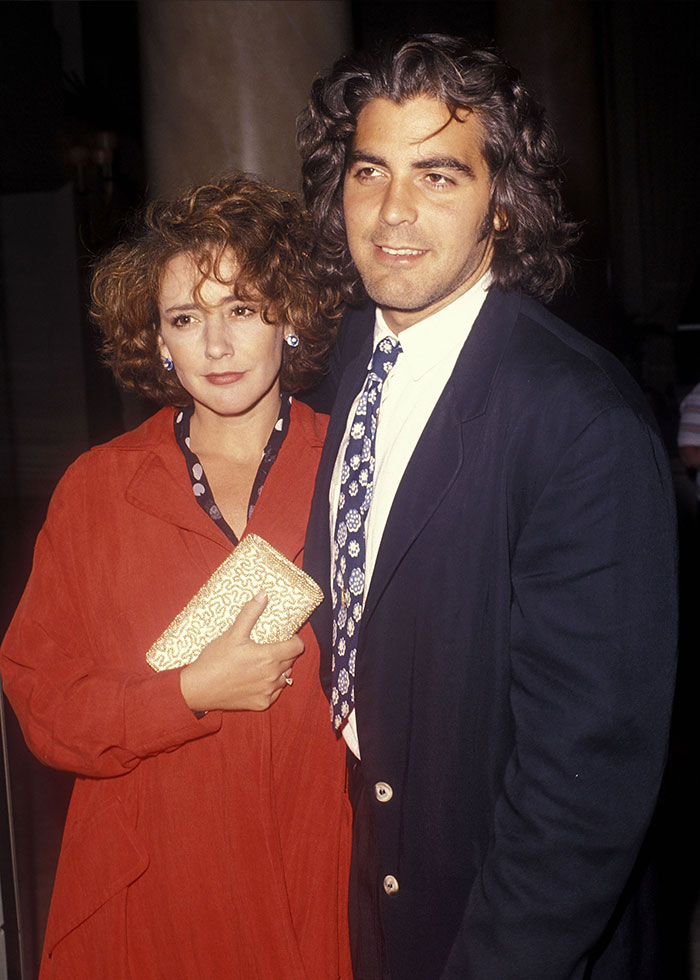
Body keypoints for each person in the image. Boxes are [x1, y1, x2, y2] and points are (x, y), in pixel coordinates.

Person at [297, 34, 678, 980]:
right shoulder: (352, 361)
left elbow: (582, 787)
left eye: (437, 176)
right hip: (382, 881)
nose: (391, 212)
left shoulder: (577, 418)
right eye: (368, 171)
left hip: (500, 925)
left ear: (502, 206)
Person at [0, 174, 352, 979]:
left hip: (317, 853)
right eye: (186, 320)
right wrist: (188, 691)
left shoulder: (353, 464)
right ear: (158, 339)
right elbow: (44, 707)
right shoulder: (98, 489)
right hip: (155, 870)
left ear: (289, 316)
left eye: (242, 309)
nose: (216, 347)